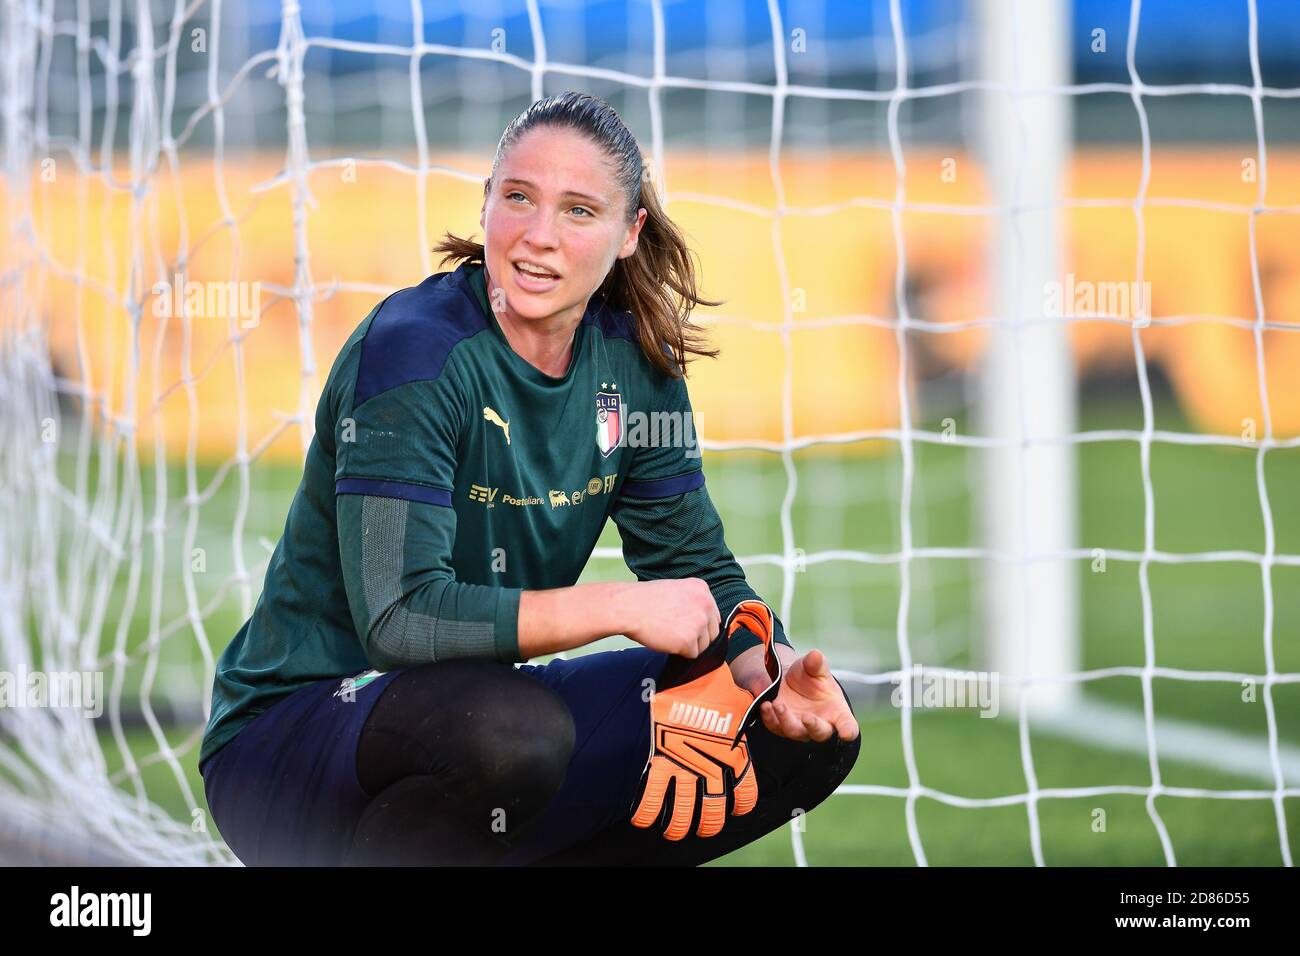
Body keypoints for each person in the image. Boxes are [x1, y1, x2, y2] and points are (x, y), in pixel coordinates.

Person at [198, 91, 860, 866]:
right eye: (518, 197)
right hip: (292, 742)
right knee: (511, 734)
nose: (538, 236)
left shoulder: (636, 366)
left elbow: (700, 574)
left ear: (628, 234)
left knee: (798, 740)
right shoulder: (413, 352)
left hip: (475, 727)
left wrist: (767, 671)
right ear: (486, 204)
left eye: (579, 211)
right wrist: (617, 605)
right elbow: (399, 620)